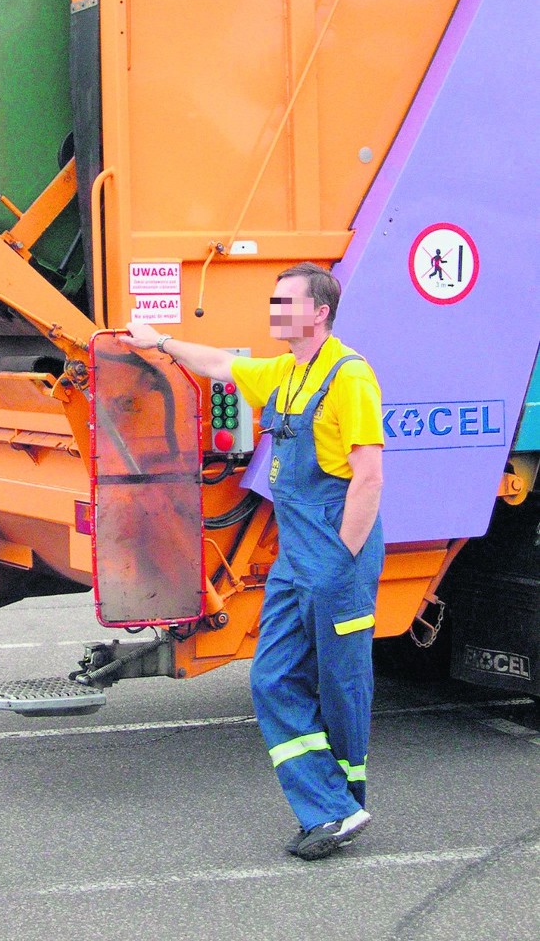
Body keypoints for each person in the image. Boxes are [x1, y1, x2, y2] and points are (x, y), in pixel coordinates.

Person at [120, 261, 385, 861]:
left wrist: (341, 558)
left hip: (334, 555)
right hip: (296, 556)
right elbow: (218, 363)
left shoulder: (350, 376)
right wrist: (158, 342)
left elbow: (369, 477)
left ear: (318, 312)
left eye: (283, 302)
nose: (273, 312)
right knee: (272, 678)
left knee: (342, 685)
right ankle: (334, 807)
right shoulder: (287, 374)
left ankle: (338, 807)